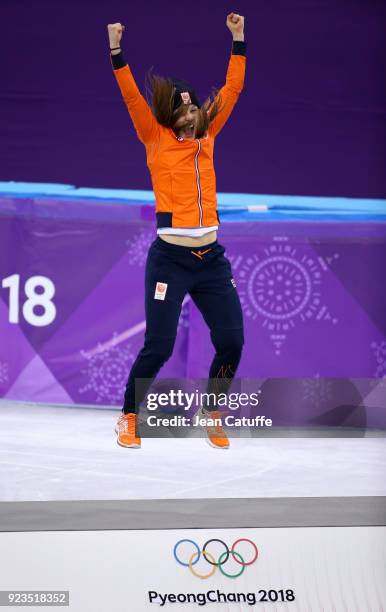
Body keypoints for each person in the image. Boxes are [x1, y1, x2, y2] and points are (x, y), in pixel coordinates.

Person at [107, 13, 246, 449]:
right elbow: (131, 98)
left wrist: (239, 39)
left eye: (193, 108)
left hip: (211, 261)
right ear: (171, 113)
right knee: (160, 346)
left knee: (232, 340)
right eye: (183, 109)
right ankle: (130, 415)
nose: (190, 114)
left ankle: (213, 410)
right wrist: (116, 51)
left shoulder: (209, 134)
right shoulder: (155, 138)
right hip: (170, 260)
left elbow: (233, 90)